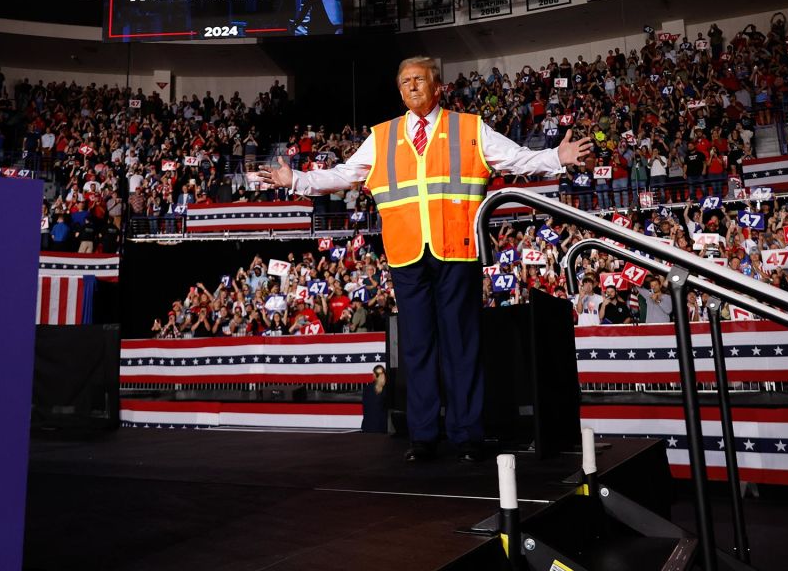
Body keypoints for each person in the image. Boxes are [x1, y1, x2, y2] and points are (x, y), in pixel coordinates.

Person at [252, 56, 592, 462]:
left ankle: (468, 435)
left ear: (437, 87)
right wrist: (297, 181)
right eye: (405, 81)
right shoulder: (381, 136)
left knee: (461, 345)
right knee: (417, 348)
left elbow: (516, 158)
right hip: (407, 255)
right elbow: (344, 174)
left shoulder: (469, 128)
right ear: (400, 90)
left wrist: (557, 156)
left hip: (457, 251)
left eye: (419, 80)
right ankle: (424, 436)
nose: (412, 87)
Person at [361, 365, 389, 433]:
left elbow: (365, 407)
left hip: (368, 426)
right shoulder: (387, 389)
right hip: (381, 426)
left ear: (374, 374)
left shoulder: (368, 388)